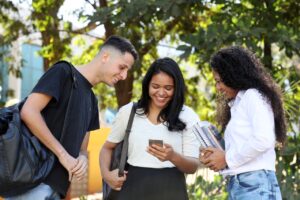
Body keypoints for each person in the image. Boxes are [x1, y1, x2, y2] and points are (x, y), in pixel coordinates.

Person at [7, 35, 138, 200]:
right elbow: (29, 111)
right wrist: (63, 155)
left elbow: (82, 148)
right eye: (122, 67)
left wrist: (82, 158)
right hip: (32, 184)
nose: (124, 76)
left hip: (57, 189)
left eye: (127, 70)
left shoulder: (91, 100)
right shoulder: (63, 72)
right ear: (105, 57)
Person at [100, 57, 200, 200]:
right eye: (155, 86)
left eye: (168, 88)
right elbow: (107, 148)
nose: (161, 93)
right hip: (132, 189)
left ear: (176, 88)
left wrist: (172, 156)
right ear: (147, 85)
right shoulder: (129, 112)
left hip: (172, 190)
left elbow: (193, 167)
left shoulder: (188, 116)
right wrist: (107, 175)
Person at [199, 46, 286, 199]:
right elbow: (242, 146)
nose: (218, 88)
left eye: (220, 81)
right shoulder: (238, 103)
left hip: (255, 184)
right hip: (243, 184)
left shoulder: (253, 96)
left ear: (233, 75)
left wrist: (226, 158)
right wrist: (216, 154)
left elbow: (263, 139)